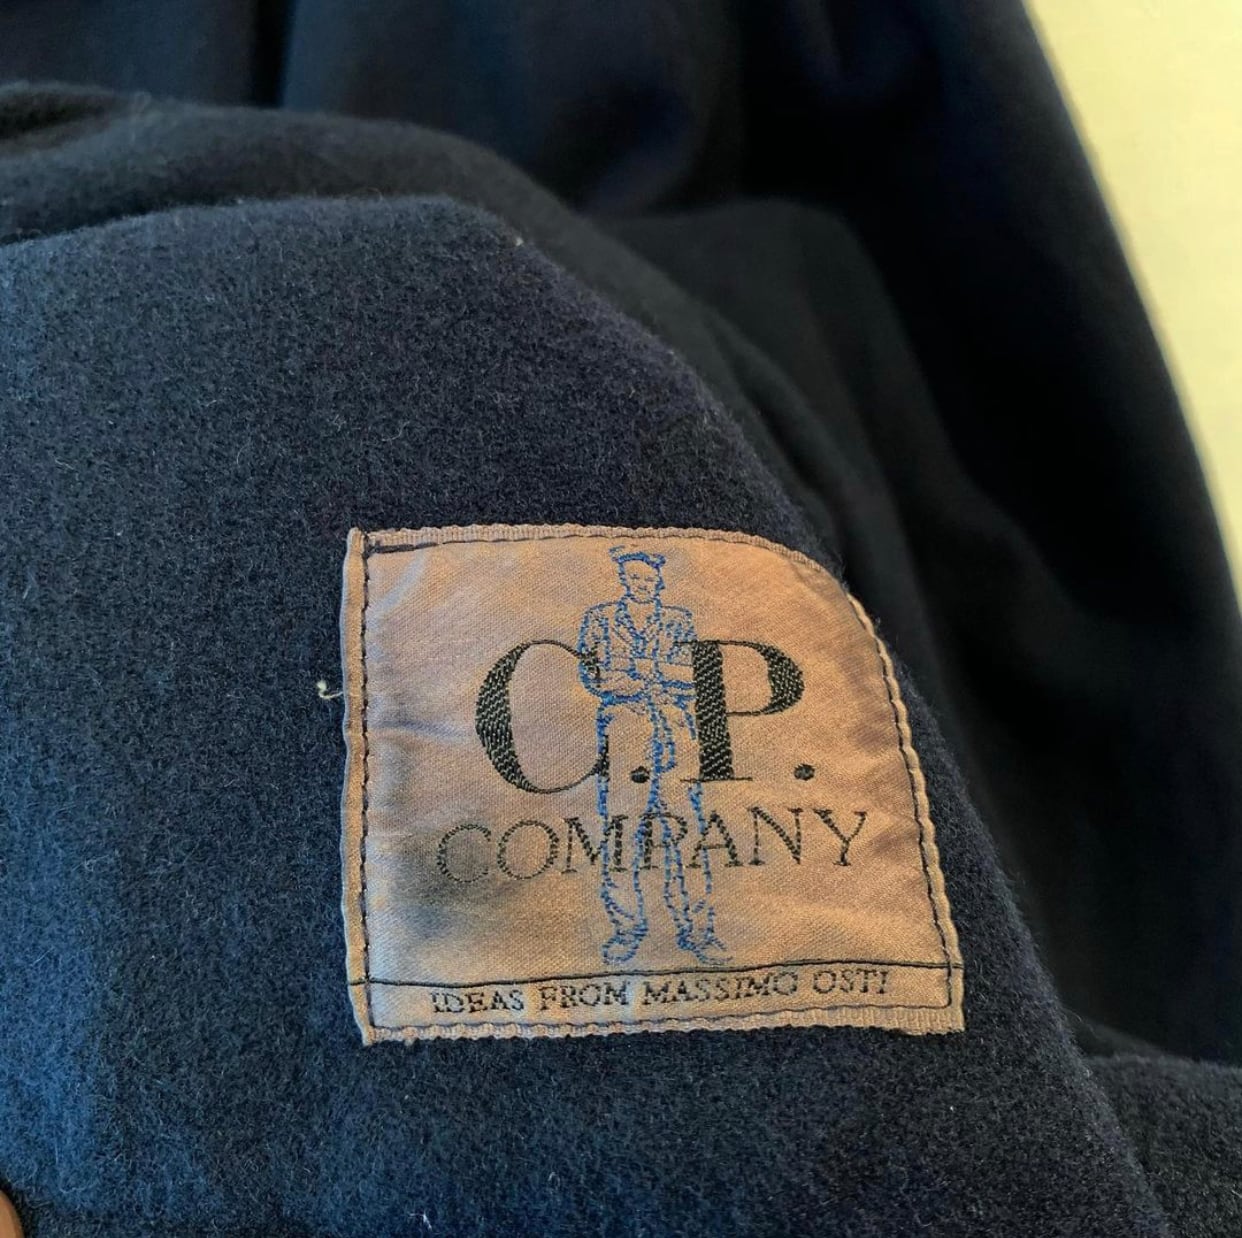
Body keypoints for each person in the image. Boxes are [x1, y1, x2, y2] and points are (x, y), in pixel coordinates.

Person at [576, 547, 729, 965]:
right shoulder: (601, 619)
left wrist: (648, 671)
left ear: (659, 581)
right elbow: (590, 673)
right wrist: (631, 680)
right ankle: (627, 930)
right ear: (623, 579)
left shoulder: (677, 620)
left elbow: (696, 674)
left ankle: (699, 932)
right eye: (634, 578)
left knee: (687, 832)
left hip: (674, 735)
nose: (641, 585)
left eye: (648, 579)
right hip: (625, 734)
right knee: (622, 830)